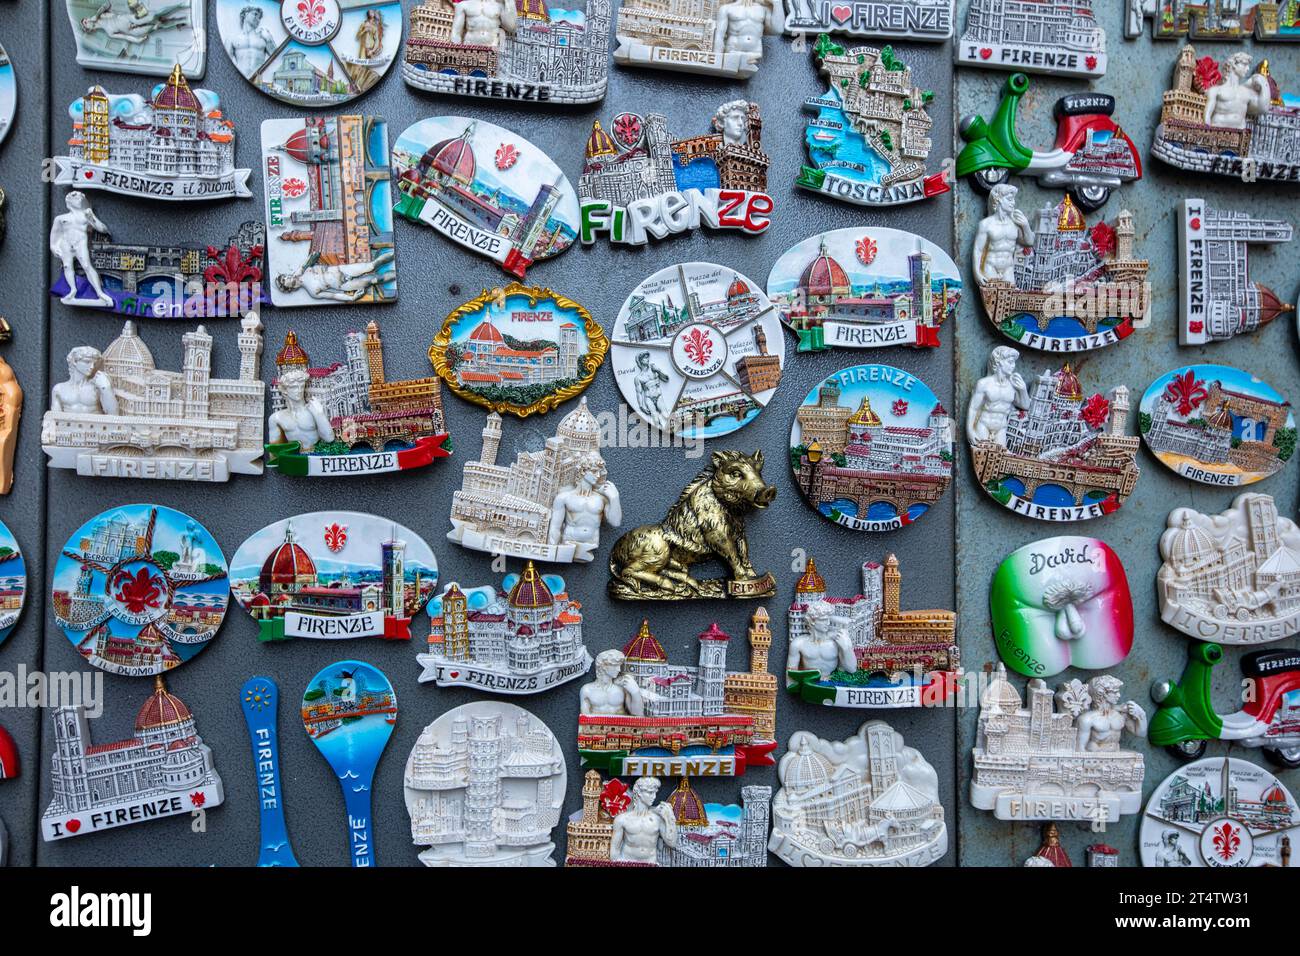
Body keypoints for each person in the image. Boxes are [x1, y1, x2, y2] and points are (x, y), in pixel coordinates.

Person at [549, 453, 621, 554]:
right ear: (583, 471)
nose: (598, 476)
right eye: (594, 471)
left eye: (599, 472)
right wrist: (553, 551)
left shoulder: (601, 499)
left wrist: (614, 498)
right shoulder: (564, 497)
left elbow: (616, 522)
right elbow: (555, 528)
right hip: (568, 546)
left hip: (591, 546)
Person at [51, 192, 114, 307]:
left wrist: (92, 218)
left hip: (80, 243)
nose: (79, 200)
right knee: (67, 267)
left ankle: (100, 293)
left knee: (87, 266)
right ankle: (73, 290)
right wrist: (54, 246)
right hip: (66, 244)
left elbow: (103, 229)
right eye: (75, 198)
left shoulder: (86, 216)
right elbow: (55, 234)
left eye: (80, 198)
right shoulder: (61, 218)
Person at [966, 345, 1029, 446]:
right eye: (1010, 362)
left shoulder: (1012, 385)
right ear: (998, 362)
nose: (1013, 366)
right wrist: (969, 430)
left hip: (1001, 428)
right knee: (982, 457)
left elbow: (1025, 406)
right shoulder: (984, 384)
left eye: (1014, 362)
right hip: (984, 425)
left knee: (999, 460)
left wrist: (1023, 390)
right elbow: (973, 408)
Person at [275, 250, 395, 303]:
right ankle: (396, 275)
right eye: (285, 281)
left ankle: (394, 254)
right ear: (288, 287)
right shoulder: (312, 291)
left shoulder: (303, 269)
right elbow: (333, 295)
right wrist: (351, 298)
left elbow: (312, 256)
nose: (287, 278)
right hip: (344, 285)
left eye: (285, 276)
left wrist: (312, 258)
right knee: (374, 280)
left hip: (342, 270)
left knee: (371, 266)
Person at [973, 183, 1034, 286]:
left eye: (1014, 200)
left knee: (1008, 301)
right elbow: (978, 250)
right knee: (990, 301)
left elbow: (1029, 242)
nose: (1013, 203)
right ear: (999, 199)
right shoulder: (986, 224)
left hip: (1008, 269)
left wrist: (1026, 225)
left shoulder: (1014, 223)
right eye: (1010, 199)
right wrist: (977, 273)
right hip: (990, 267)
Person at [267, 365, 335, 452]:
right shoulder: (276, 418)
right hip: (293, 459)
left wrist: (319, 414)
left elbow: (329, 438)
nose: (299, 390)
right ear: (285, 390)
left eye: (301, 386)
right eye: (294, 387)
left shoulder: (313, 410)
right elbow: (274, 450)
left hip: (315, 455)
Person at [610, 777, 677, 863]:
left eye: (655, 793)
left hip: (650, 863)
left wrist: (669, 818)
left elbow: (672, 843)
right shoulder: (622, 819)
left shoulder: (657, 819)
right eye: (650, 793)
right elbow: (615, 850)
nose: (654, 797)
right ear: (639, 793)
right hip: (628, 863)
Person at [787, 600, 857, 679]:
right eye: (823, 620)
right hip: (809, 684)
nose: (827, 623)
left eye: (828, 619)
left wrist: (846, 648)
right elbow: (791, 674)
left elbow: (852, 669)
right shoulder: (798, 643)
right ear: (812, 621)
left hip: (832, 683)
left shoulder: (837, 640)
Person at [1076, 675, 1147, 753]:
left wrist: (1141, 715)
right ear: (1103, 693)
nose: (1119, 695)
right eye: (1115, 692)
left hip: (1116, 755)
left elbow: (1141, 733)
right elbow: (1080, 749)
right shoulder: (1087, 719)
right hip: (1095, 758)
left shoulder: (1121, 714)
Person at [1204, 52, 1272, 130]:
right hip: (1218, 133)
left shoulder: (1246, 92)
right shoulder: (1216, 90)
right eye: (1244, 64)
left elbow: (1263, 108)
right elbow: (1207, 117)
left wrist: (1263, 82)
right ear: (1234, 65)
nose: (1248, 68)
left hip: (1239, 136)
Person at [51, 346, 118, 415]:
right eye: (87, 362)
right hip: (68, 425)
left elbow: (114, 415)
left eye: (94, 363)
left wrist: (105, 387)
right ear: (75, 361)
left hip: (95, 425)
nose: (92, 366)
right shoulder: (59, 389)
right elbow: (55, 419)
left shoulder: (97, 387)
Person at [713, 0, 782, 67]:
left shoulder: (763, 9)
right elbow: (719, 36)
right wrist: (717, 60)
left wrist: (777, 3)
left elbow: (778, 30)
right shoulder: (726, 9)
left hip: (755, 54)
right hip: (733, 52)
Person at [578, 649, 644, 716]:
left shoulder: (622, 688)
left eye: (619, 666)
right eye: (615, 666)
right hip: (597, 726)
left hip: (620, 725)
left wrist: (635, 692)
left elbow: (638, 715)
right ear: (604, 666)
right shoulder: (587, 690)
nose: (619, 669)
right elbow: (584, 721)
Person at [227, 5, 276, 77]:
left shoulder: (264, 37)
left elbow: (277, 58)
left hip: (257, 82)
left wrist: (269, 39)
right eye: (255, 14)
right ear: (246, 14)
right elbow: (225, 62)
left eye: (259, 17)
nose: (257, 19)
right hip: (239, 79)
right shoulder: (232, 38)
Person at [450, 0, 516, 48]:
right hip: (470, 47)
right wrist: (456, 52)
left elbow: (511, 27)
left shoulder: (499, 5)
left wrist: (509, 1)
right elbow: (456, 33)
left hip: (492, 47)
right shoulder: (463, 5)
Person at [633, 352, 670, 430]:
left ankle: (673, 430)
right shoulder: (638, 378)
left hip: (658, 396)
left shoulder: (654, 369)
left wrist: (659, 371)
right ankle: (663, 435)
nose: (648, 359)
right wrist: (641, 405)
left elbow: (666, 379)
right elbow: (639, 393)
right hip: (648, 398)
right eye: (645, 358)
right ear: (641, 361)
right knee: (655, 419)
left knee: (665, 415)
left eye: (648, 357)